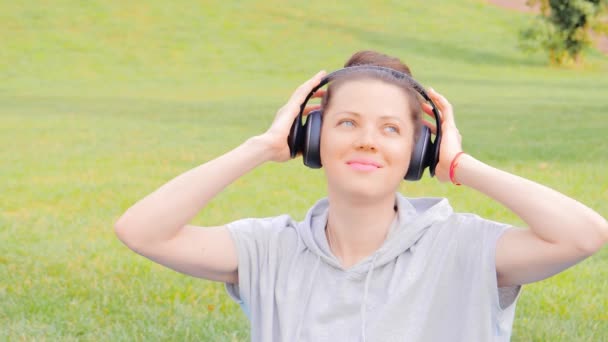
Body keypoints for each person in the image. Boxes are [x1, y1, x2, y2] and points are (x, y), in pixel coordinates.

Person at [114, 51, 607, 342]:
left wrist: (460, 166)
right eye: (347, 122)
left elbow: (585, 235)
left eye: (391, 128)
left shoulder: (464, 248)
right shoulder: (270, 250)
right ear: (311, 138)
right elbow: (140, 231)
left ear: (417, 151)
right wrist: (261, 147)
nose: (367, 139)